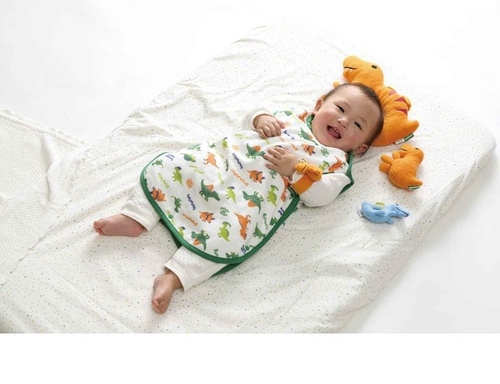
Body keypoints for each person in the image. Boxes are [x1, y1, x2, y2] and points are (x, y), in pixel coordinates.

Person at [94, 83, 384, 314]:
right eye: (340, 109)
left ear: (360, 149)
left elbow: (322, 196)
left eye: (357, 125)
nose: (344, 121)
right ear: (319, 105)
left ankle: (175, 275)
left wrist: (296, 170)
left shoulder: (335, 164)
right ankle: (137, 215)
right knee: (171, 167)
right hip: (219, 166)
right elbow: (249, 118)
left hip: (245, 204)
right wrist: (260, 119)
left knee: (231, 237)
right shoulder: (290, 118)